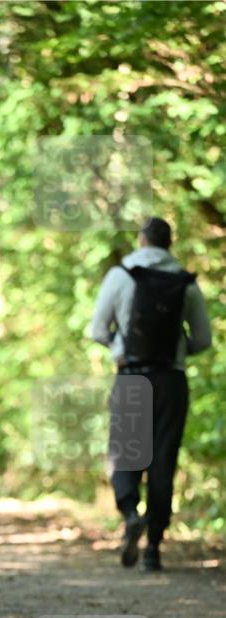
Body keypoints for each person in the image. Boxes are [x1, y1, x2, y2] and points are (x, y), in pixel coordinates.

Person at [91, 216, 211, 570]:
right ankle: (154, 547)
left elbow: (98, 328)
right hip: (171, 381)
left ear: (142, 240)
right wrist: (175, 353)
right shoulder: (185, 282)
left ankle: (130, 513)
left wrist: (120, 347)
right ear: (170, 243)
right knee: (163, 459)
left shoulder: (121, 274)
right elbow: (202, 339)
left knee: (126, 455)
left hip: (132, 375)